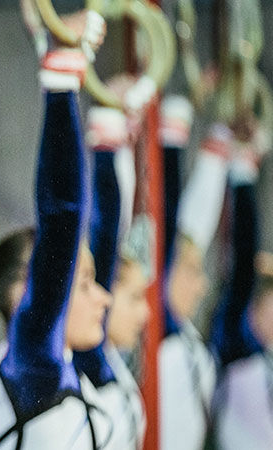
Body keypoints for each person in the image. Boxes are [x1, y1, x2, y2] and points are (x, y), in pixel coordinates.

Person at [0, 7, 113, 448]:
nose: (105, 296)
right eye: (85, 283)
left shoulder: (63, 368)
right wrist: (61, 82)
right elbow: (62, 217)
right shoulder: (32, 364)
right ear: (27, 294)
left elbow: (107, 230)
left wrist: (112, 135)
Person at [157, 96, 230, 450]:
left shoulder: (187, 339)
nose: (202, 287)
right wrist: (170, 144)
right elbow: (170, 226)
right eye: (191, 272)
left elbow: (196, 226)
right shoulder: (158, 329)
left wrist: (220, 152)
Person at [76, 106, 149, 450]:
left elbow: (116, 229)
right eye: (134, 297)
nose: (146, 314)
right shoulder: (86, 361)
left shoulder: (112, 361)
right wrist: (107, 149)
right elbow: (107, 234)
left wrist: (123, 142)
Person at [211, 138, 273, 450]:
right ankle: (241, 172)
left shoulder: (258, 353)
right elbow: (244, 273)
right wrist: (244, 176)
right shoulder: (238, 342)